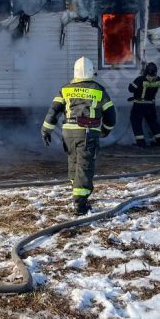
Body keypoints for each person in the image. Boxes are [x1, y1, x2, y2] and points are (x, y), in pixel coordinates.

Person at [41, 57, 116, 216]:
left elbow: (54, 111)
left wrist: (46, 130)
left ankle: (77, 193)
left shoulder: (65, 89)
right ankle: (80, 204)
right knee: (85, 166)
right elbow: (111, 114)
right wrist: (106, 130)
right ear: (91, 71)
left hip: (68, 133)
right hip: (88, 133)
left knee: (74, 163)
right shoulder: (98, 90)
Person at [128, 62, 160, 147]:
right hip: (151, 106)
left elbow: (130, 89)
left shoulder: (140, 79)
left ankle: (141, 143)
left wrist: (139, 78)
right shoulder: (159, 79)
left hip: (139, 106)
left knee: (136, 123)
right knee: (153, 123)